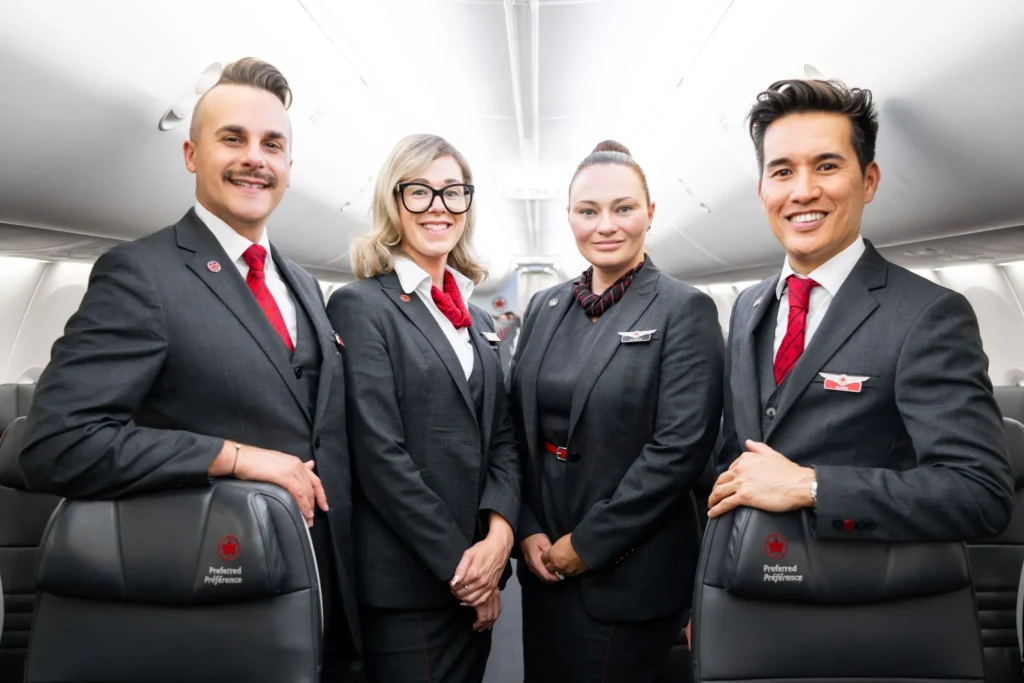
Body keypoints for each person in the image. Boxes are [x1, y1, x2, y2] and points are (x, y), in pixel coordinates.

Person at [18, 58, 360, 680]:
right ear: (191, 154)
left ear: (289, 166)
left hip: (322, 594)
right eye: (232, 138)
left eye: (272, 144)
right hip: (214, 600)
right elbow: (55, 444)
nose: (254, 158)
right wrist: (232, 456)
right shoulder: (141, 275)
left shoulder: (304, 284)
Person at [695, 79, 1014, 643]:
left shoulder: (927, 315)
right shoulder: (748, 307)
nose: (803, 191)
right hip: (744, 606)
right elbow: (734, 465)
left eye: (826, 166)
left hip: (866, 612)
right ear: (763, 188)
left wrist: (813, 486)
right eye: (782, 171)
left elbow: (979, 493)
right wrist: (706, 592)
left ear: (868, 181)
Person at [506, 140, 724, 681]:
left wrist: (586, 545)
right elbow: (516, 428)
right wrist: (527, 526)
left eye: (623, 208)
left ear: (650, 213)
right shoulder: (546, 306)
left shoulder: (684, 309)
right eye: (588, 211)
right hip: (543, 562)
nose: (605, 225)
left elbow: (679, 450)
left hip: (627, 571)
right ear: (570, 217)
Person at [326, 133, 520, 683]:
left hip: (479, 569)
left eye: (453, 192)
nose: (439, 206)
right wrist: (465, 570)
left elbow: (502, 436)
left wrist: (500, 538)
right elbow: (380, 457)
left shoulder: (478, 319)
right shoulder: (361, 306)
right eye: (420, 191)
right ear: (394, 201)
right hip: (409, 587)